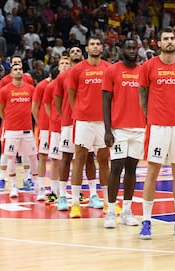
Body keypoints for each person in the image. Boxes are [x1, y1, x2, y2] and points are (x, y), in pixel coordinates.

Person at [138, 26, 175, 239]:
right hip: (158, 127)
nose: (169, 41)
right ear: (158, 43)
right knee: (152, 173)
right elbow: (143, 95)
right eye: (165, 39)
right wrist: (150, 117)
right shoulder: (148, 66)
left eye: (172, 38)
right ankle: (146, 221)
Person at [102, 38, 144, 228]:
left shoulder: (143, 71)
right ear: (122, 50)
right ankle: (111, 211)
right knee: (116, 167)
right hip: (118, 128)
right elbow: (105, 101)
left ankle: (127, 211)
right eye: (128, 47)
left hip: (139, 128)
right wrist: (107, 129)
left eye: (134, 47)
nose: (132, 50)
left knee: (132, 169)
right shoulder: (112, 70)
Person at [68, 36, 111, 218]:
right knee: (80, 159)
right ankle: (75, 204)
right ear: (87, 48)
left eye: (98, 44)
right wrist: (80, 113)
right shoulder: (77, 70)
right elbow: (71, 95)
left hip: (102, 122)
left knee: (103, 161)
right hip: (84, 121)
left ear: (102, 48)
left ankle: (109, 202)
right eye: (92, 44)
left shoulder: (109, 68)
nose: (95, 46)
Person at [54, 46, 95, 211]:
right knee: (66, 157)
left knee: (90, 157)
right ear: (68, 57)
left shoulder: (88, 72)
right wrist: (66, 114)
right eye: (73, 52)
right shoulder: (62, 77)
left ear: (83, 54)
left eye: (78, 51)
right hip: (69, 123)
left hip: (88, 121)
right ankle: (63, 196)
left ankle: (93, 194)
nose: (76, 53)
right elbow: (57, 101)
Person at [0, 55, 37, 192]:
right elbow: (0, 109)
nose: (18, 68)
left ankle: (27, 179)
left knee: (27, 154)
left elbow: (34, 104)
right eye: (15, 65)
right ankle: (2, 178)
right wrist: (7, 120)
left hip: (25, 125)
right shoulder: (4, 83)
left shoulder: (29, 82)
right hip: (9, 124)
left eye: (20, 64)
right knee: (7, 153)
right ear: (11, 67)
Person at [42, 58, 71, 203]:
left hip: (71, 126)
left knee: (70, 160)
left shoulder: (74, 82)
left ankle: (65, 190)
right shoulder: (50, 86)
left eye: (67, 63)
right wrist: (55, 118)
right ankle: (53, 191)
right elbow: (47, 106)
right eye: (62, 63)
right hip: (56, 128)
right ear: (58, 67)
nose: (65, 65)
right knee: (55, 160)